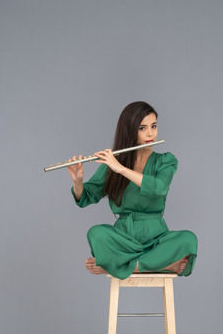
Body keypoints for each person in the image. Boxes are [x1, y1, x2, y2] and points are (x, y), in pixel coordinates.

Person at [68, 101, 198, 280]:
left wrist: (121, 169)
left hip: (156, 238)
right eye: (142, 128)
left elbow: (158, 188)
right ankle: (164, 265)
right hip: (123, 238)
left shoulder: (166, 161)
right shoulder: (113, 162)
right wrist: (78, 181)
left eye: (153, 126)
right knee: (96, 233)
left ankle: (115, 266)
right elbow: (86, 197)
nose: (150, 133)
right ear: (130, 130)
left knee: (189, 239)